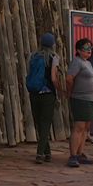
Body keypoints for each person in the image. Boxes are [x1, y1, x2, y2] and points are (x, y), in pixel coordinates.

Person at [65, 38, 93, 167]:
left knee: (85, 128)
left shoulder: (88, 63)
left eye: (90, 48)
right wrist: (71, 90)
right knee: (79, 127)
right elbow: (69, 78)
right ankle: (73, 156)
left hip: (90, 99)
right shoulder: (76, 62)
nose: (89, 50)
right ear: (78, 50)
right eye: (86, 48)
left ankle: (80, 153)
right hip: (80, 98)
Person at [28, 33, 60, 163]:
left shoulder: (32, 56)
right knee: (46, 123)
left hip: (34, 92)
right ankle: (39, 153)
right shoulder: (53, 57)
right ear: (52, 44)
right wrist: (60, 89)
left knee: (39, 122)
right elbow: (53, 78)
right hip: (47, 94)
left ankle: (47, 152)